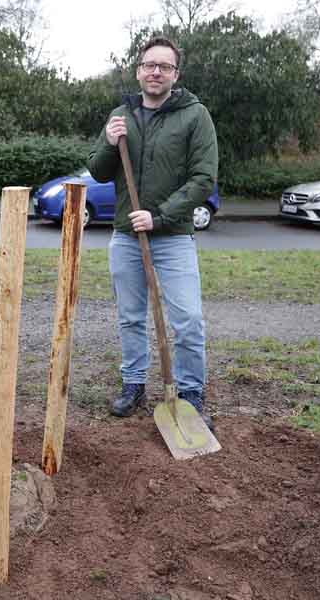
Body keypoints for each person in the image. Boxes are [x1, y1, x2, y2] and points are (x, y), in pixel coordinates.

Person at [87, 36, 218, 429]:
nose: (155, 71)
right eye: (149, 65)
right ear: (138, 70)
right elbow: (97, 169)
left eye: (164, 66)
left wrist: (159, 216)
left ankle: (191, 392)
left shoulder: (195, 116)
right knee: (130, 317)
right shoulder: (120, 115)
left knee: (189, 320)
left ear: (175, 74)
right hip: (127, 236)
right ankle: (133, 384)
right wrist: (111, 143)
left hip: (173, 235)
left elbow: (202, 179)